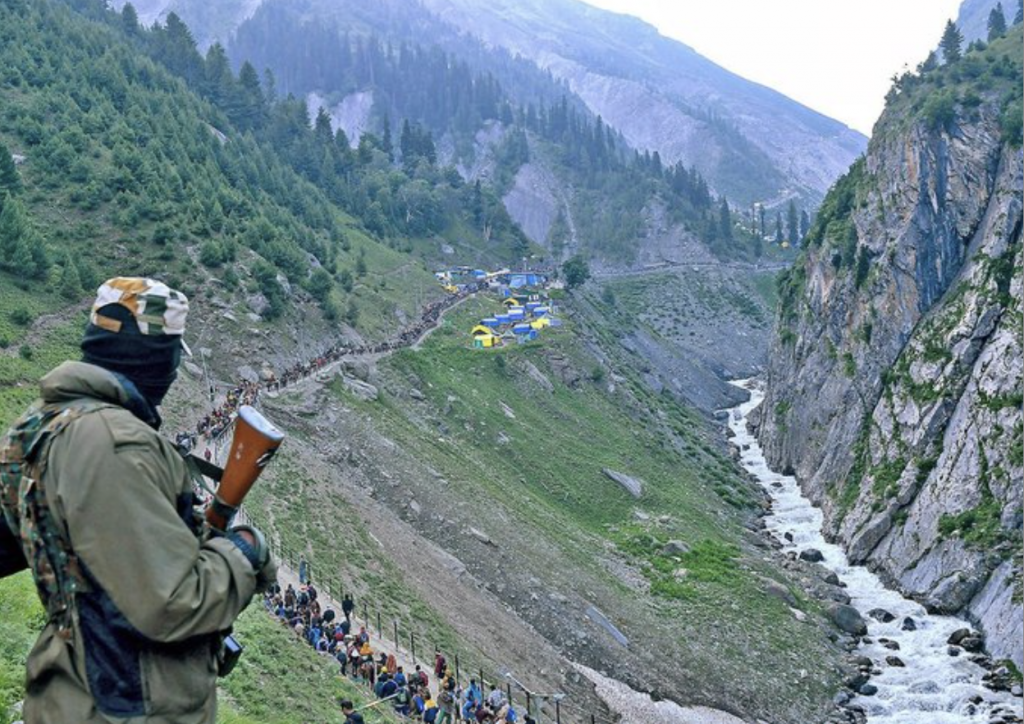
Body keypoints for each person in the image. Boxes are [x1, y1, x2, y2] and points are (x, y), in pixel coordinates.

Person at [0, 277, 276, 723]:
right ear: (159, 360)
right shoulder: (115, 444)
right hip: (126, 704)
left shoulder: (40, 426)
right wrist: (244, 553)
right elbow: (169, 604)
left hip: (76, 692)